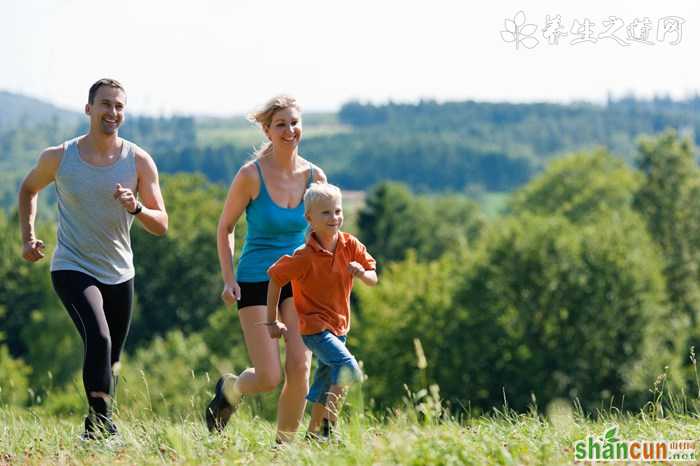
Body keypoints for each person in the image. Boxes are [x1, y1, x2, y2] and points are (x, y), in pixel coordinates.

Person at [18, 78, 168, 439]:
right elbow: (27, 189)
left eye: (118, 106)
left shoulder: (139, 161)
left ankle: (95, 425)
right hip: (72, 265)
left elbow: (161, 224)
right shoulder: (60, 157)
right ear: (89, 109)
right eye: (105, 104)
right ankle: (102, 429)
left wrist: (137, 207)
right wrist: (28, 238)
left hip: (119, 271)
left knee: (111, 358)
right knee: (98, 338)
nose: (112, 112)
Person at [206, 95, 326, 443]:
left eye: (294, 123)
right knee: (269, 377)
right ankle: (231, 388)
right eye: (281, 125)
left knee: (300, 367)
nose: (290, 130)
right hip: (257, 280)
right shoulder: (250, 176)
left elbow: (324, 232)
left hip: (300, 281)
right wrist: (229, 279)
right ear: (267, 130)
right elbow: (225, 227)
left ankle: (283, 449)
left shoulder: (314, 176)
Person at [266, 182, 377, 440]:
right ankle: (328, 427)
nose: (334, 218)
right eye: (325, 213)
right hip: (314, 329)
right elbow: (275, 278)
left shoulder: (350, 245)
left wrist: (362, 274)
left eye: (337, 211)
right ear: (309, 218)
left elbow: (374, 276)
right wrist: (271, 321)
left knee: (326, 383)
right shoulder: (304, 256)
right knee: (349, 368)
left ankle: (315, 436)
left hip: (340, 327)